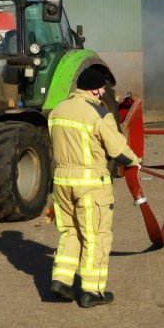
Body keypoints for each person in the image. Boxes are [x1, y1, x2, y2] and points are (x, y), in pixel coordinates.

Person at [48, 67, 139, 308]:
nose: (102, 93)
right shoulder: (98, 113)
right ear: (96, 89)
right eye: (102, 89)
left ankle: (62, 280)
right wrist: (135, 162)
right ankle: (93, 291)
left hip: (61, 181)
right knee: (96, 236)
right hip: (90, 184)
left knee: (70, 231)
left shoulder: (58, 111)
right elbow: (117, 149)